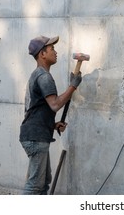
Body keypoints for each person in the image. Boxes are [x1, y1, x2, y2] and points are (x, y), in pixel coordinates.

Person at [19, 35, 82, 195]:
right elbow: (55, 105)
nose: (55, 52)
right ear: (42, 54)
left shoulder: (37, 75)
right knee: (35, 186)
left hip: (35, 134)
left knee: (43, 183)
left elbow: (36, 109)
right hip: (36, 138)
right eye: (52, 48)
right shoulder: (43, 77)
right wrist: (73, 86)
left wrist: (52, 125)